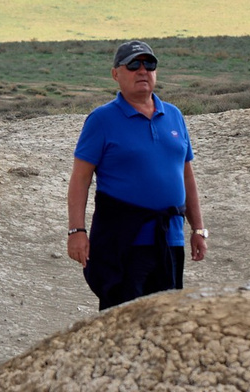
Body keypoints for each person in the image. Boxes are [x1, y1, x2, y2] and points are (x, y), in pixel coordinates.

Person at [65, 42, 207, 308]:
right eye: (133, 65)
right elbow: (80, 180)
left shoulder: (174, 116)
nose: (142, 70)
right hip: (123, 241)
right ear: (116, 74)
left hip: (170, 239)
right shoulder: (101, 120)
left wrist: (198, 228)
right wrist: (77, 230)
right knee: (122, 320)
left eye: (149, 64)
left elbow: (187, 177)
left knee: (165, 319)